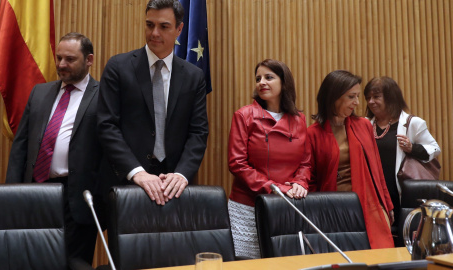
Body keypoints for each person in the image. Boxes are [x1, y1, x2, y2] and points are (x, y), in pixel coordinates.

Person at [98, 0, 208, 206]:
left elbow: (198, 132)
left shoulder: (194, 76)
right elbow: (106, 125)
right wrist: (136, 172)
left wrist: (182, 174)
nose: (154, 33)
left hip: (174, 186)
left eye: (164, 26)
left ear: (179, 29)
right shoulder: (118, 67)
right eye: (150, 25)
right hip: (127, 182)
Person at [6, 32, 102, 264]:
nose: (61, 65)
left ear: (89, 60)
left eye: (70, 59)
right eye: (59, 58)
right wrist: (10, 194)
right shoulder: (40, 92)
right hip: (35, 193)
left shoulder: (104, 96)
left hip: (77, 198)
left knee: (73, 263)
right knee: (32, 260)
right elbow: (21, 146)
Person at [228, 59, 310, 258]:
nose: (261, 82)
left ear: (284, 83)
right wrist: (276, 187)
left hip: (285, 205)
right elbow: (237, 163)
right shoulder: (244, 115)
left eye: (269, 77)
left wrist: (300, 182)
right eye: (258, 78)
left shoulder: (299, 119)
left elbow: (305, 162)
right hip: (248, 206)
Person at [307, 70, 394, 249]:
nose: (357, 102)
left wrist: (387, 205)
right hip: (333, 208)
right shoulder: (313, 134)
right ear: (334, 97)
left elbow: (377, 169)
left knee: (381, 257)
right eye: (351, 97)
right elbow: (312, 180)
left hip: (370, 204)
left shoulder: (363, 125)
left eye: (357, 96)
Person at [364, 76, 440, 241]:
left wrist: (412, 148)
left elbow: (434, 149)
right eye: (368, 97)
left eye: (376, 97)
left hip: (399, 191)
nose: (371, 101)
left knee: (400, 237)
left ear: (391, 97)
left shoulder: (412, 123)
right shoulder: (365, 124)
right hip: (374, 192)